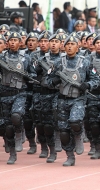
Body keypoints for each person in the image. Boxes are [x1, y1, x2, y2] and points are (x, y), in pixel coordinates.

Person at [47, 35, 99, 166]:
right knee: (63, 130)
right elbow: (47, 80)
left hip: (78, 99)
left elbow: (95, 80)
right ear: (64, 46)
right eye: (67, 44)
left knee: (75, 121)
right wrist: (54, 82)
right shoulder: (58, 62)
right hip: (62, 99)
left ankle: (78, 136)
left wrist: (88, 85)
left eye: (72, 44)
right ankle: (70, 156)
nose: (70, 46)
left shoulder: (86, 62)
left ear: (78, 47)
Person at [0, 32, 36, 164]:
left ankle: (20, 131)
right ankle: (12, 153)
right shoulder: (2, 57)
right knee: (7, 127)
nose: (13, 42)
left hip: (19, 93)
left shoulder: (25, 58)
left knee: (16, 116)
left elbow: (33, 74)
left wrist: (26, 75)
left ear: (20, 43)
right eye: (11, 40)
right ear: (7, 43)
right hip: (4, 94)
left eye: (16, 40)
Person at [32, 34, 63, 163]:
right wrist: (36, 71)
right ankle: (47, 147)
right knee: (43, 123)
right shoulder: (41, 59)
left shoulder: (64, 59)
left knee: (56, 118)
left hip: (59, 94)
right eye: (52, 41)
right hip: (43, 94)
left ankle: (58, 144)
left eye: (57, 41)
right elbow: (32, 75)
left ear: (61, 44)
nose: (54, 43)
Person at [84, 33, 100, 159]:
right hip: (92, 95)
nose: (99, 45)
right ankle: (97, 147)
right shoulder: (88, 58)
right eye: (97, 43)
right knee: (93, 123)